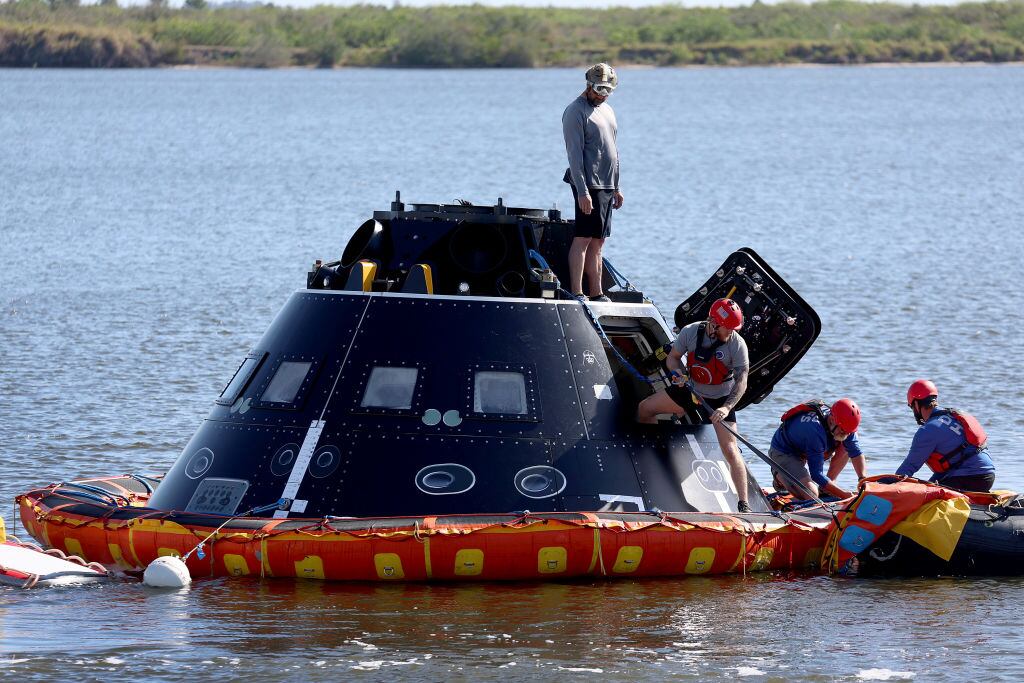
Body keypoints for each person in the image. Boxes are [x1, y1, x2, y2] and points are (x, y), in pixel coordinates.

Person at [636, 298, 751, 512]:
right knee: (645, 408)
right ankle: (653, 458)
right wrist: (678, 374)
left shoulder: (737, 343)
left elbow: (742, 380)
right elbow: (673, 359)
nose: (732, 333)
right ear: (714, 324)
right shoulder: (690, 332)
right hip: (690, 390)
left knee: (730, 448)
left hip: (720, 400)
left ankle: (744, 504)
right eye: (729, 329)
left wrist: (726, 407)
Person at [562, 63, 623, 303]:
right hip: (588, 184)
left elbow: (613, 149)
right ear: (588, 85)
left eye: (608, 90)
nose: (603, 94)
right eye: (599, 89)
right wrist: (582, 192)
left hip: (607, 185)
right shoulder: (575, 112)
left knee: (599, 241)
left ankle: (597, 292)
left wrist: (617, 186)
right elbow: (574, 156)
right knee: (584, 238)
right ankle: (577, 291)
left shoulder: (607, 109)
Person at [897, 380, 996, 492]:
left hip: (970, 477)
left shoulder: (928, 430)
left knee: (926, 495)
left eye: (911, 407)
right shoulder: (953, 416)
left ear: (916, 404)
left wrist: (887, 486)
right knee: (930, 486)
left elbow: (908, 468)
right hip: (987, 475)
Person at [768, 398, 867, 500]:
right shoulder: (815, 431)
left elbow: (856, 452)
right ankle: (779, 477)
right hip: (784, 452)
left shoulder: (844, 424)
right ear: (832, 420)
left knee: (848, 443)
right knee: (812, 494)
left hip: (808, 447)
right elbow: (816, 475)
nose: (847, 434)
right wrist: (843, 495)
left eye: (849, 431)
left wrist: (863, 480)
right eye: (843, 431)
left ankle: (826, 488)